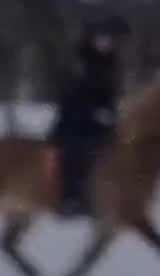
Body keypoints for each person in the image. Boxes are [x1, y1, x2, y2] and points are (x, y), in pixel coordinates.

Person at [47, 14, 130, 218]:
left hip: (100, 122)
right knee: (79, 151)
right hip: (72, 123)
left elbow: (107, 96)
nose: (110, 43)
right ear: (94, 38)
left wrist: (112, 114)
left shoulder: (109, 63)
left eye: (114, 39)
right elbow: (70, 96)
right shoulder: (81, 62)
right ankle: (71, 199)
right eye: (106, 38)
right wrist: (95, 113)